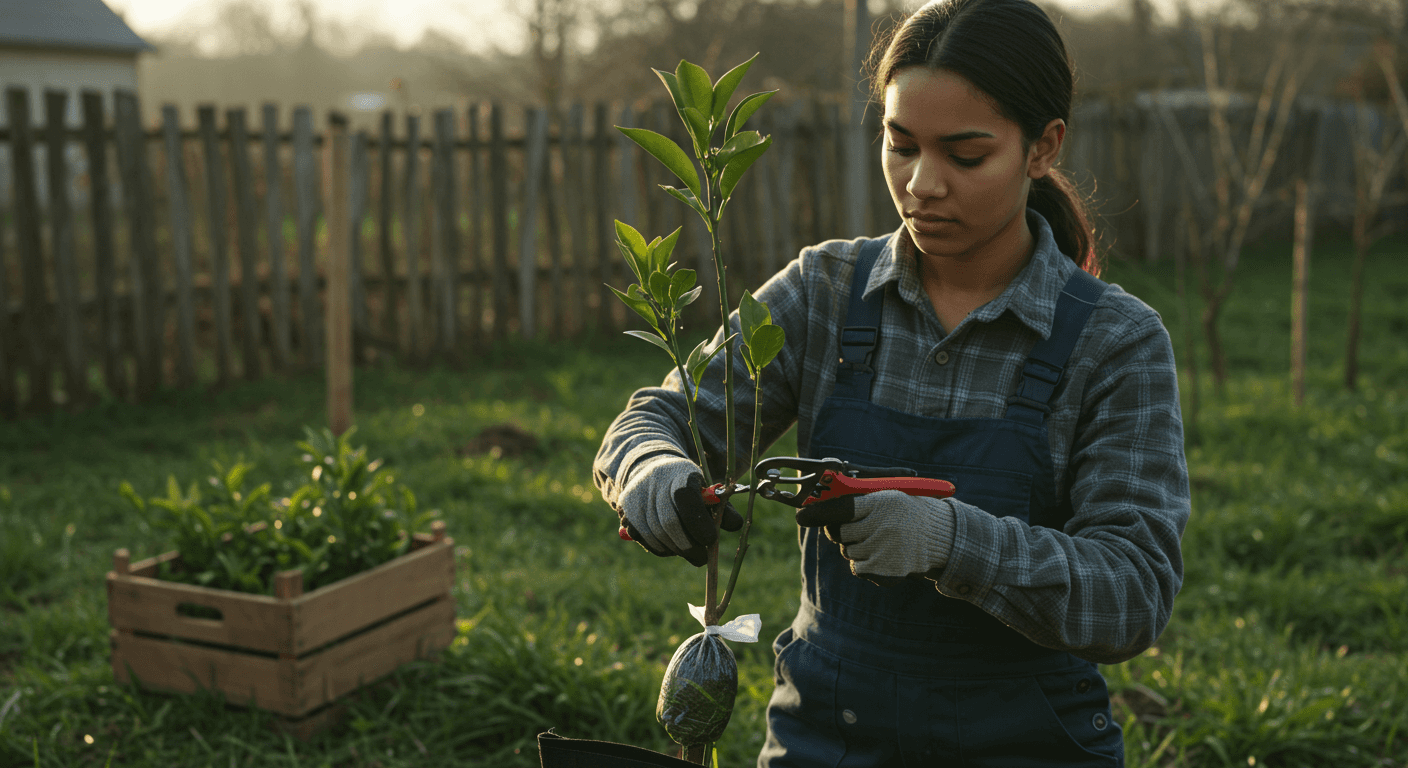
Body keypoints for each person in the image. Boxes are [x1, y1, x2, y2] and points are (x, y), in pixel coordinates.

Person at [593, 0, 1190, 764]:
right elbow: (652, 420)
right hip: (826, 737)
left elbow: (1133, 596)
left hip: (1027, 744)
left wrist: (951, 541)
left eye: (965, 155)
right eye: (900, 145)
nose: (922, 184)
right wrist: (651, 473)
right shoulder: (824, 294)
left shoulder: (1114, 341)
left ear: (1043, 148)